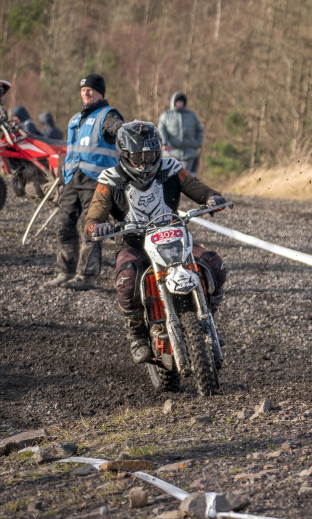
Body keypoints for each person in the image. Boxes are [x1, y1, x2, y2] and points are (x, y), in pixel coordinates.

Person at [84, 120, 228, 364]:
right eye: (138, 156)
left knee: (214, 265)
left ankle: (208, 316)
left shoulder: (171, 169)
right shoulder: (109, 179)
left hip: (172, 238)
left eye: (150, 155)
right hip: (134, 244)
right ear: (125, 154)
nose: (145, 162)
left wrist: (211, 197)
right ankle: (137, 334)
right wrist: (97, 226)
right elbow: (92, 217)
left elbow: (195, 186)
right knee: (126, 283)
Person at [46, 74, 124, 290]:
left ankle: (86, 276)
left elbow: (118, 130)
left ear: (101, 92)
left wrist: (125, 132)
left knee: (89, 228)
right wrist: (63, 177)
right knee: (64, 225)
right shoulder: (75, 119)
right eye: (83, 89)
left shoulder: (108, 115)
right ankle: (65, 271)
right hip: (72, 179)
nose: (86, 92)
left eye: (91, 89)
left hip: (97, 181)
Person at [156, 92, 205, 174]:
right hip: (171, 151)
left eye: (181, 102)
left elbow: (200, 130)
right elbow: (161, 129)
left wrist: (198, 143)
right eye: (177, 101)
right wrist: (164, 143)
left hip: (189, 151)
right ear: (173, 102)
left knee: (186, 176)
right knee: (170, 176)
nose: (179, 103)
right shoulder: (166, 115)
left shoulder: (192, 115)